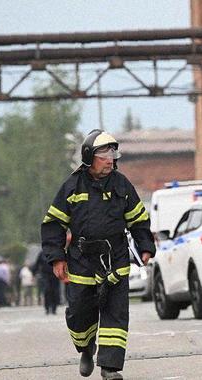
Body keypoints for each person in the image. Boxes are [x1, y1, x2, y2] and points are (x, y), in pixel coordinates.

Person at [41, 129, 155, 380]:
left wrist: (145, 246)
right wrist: (57, 257)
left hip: (116, 258)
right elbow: (53, 223)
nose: (110, 159)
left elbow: (138, 219)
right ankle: (85, 347)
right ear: (89, 157)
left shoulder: (122, 185)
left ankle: (110, 367)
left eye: (113, 154)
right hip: (82, 260)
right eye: (104, 154)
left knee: (116, 314)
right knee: (80, 314)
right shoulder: (72, 186)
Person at [33, 248, 61, 314]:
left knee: (55, 291)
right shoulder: (42, 253)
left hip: (55, 275)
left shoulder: (56, 251)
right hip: (45, 275)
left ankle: (54, 308)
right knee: (47, 290)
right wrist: (34, 273)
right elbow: (37, 263)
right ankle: (47, 307)